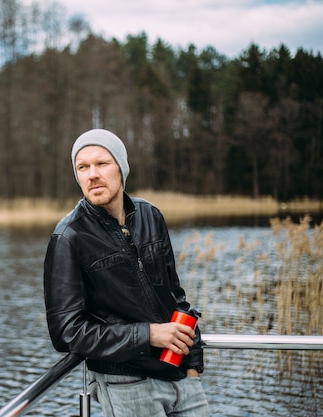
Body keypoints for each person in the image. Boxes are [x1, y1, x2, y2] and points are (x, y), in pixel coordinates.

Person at [43, 128, 210, 417]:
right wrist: (148, 335)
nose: (92, 174)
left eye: (102, 163)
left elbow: (177, 298)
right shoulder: (69, 237)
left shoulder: (150, 216)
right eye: (83, 167)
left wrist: (193, 365)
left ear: (122, 168)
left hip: (180, 375)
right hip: (126, 384)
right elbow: (67, 333)